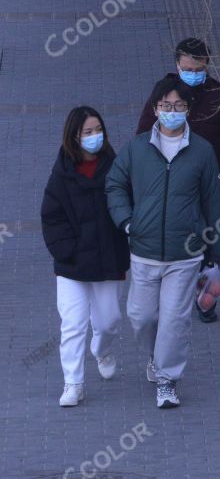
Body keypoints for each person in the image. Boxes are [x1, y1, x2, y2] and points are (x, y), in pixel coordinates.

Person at [107, 78, 220, 408]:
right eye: (165, 106)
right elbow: (115, 184)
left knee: (175, 318)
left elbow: (212, 201)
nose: (171, 112)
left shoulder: (202, 151)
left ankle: (167, 380)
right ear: (155, 108)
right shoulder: (137, 149)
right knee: (142, 317)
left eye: (178, 106)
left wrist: (217, 251)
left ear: (188, 109)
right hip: (144, 251)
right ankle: (154, 358)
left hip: (185, 253)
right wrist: (128, 221)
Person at [136, 37, 220, 323]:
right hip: (171, 183)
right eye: (187, 68)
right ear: (177, 65)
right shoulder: (164, 96)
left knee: (210, 238)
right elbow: (142, 137)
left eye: (198, 68)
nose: (193, 74)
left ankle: (205, 295)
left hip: (209, 184)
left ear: (207, 65)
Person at [41, 106, 130, 407]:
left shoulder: (116, 168)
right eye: (87, 132)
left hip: (108, 261)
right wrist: (66, 252)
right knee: (73, 324)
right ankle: (73, 383)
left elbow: (126, 206)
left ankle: (101, 349)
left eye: (97, 130)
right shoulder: (61, 176)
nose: (94, 136)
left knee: (108, 322)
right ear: (73, 137)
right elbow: (52, 219)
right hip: (72, 266)